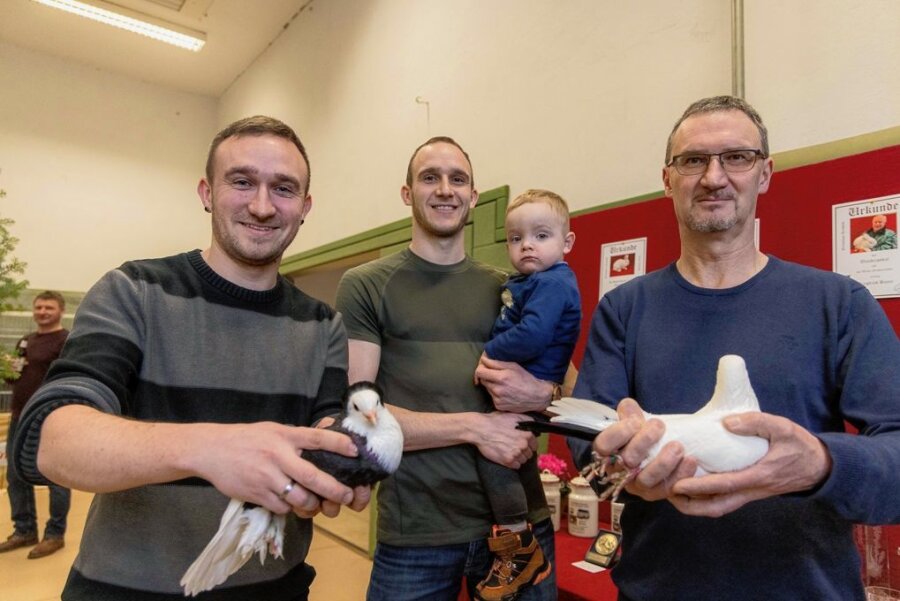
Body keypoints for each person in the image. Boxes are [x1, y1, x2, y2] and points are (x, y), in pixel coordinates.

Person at [11, 116, 370, 600]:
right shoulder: (134, 291)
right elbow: (52, 441)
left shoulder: (323, 324)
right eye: (242, 182)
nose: (262, 206)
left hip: (274, 588)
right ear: (206, 192)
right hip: (123, 590)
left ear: (304, 207)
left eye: (283, 189)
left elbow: (324, 427)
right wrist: (208, 449)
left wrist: (345, 463)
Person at [570, 95, 900, 600]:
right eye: (693, 160)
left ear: (764, 174)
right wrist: (618, 463)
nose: (714, 177)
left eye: (736, 157)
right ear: (667, 179)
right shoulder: (624, 310)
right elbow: (587, 442)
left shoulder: (837, 303)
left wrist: (820, 462)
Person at [336, 136, 558, 601]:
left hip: (519, 526)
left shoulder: (513, 287)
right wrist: (478, 427)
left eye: (458, 179)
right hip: (419, 531)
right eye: (429, 177)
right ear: (407, 193)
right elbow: (359, 417)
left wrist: (544, 396)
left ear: (473, 197)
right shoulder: (367, 285)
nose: (445, 189)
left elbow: (566, 389)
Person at [474, 189, 580, 599]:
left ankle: (519, 546)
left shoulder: (553, 283)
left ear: (566, 243)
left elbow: (534, 334)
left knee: (493, 456)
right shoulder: (532, 281)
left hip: (528, 380)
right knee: (510, 457)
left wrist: (488, 353)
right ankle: (519, 542)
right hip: (522, 380)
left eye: (540, 236)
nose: (527, 246)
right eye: (516, 239)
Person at [0, 291, 70, 559]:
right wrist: (9, 369)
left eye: (48, 307)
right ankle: (24, 530)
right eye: (38, 307)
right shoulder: (25, 341)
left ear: (60, 311)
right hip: (20, 415)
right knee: (16, 474)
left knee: (56, 475)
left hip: (50, 416)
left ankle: (55, 534)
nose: (42, 311)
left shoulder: (66, 341)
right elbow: (13, 378)